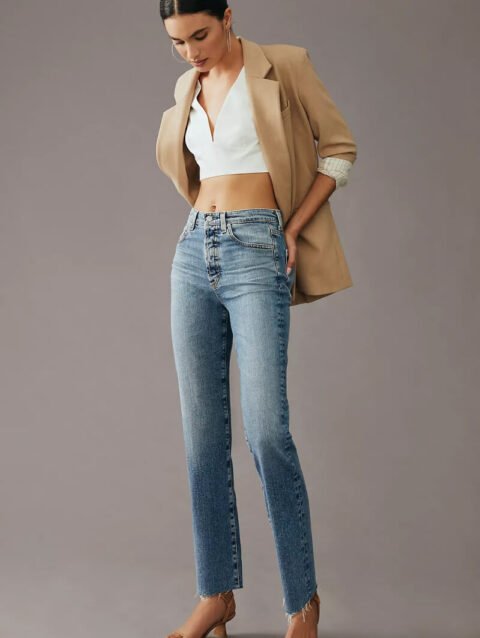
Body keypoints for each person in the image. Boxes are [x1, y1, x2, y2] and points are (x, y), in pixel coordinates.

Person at [155, 1, 357, 636]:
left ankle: (303, 602)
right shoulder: (186, 87)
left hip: (258, 249)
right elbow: (189, 170)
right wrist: (206, 223)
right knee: (201, 440)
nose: (191, 51)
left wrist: (289, 228)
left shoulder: (283, 66)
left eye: (200, 34)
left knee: (267, 432)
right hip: (194, 251)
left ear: (227, 16)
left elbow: (340, 150)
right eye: (177, 42)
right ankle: (216, 595)